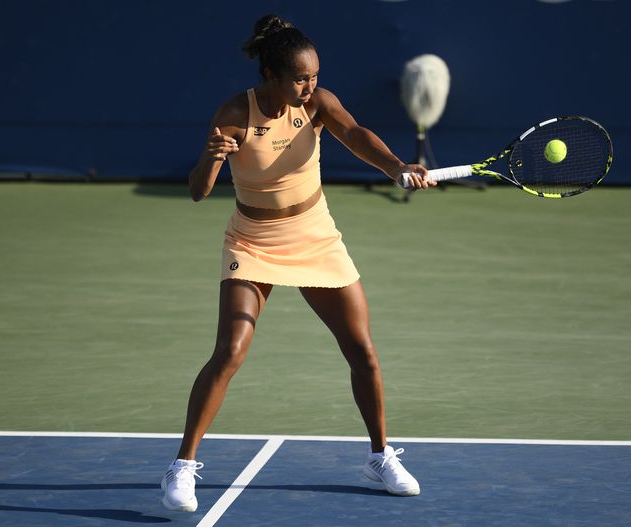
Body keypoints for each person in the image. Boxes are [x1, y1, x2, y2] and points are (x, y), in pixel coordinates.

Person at [161, 14, 435, 512]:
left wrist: (397, 165)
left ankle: (380, 456)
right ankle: (181, 469)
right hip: (253, 241)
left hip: (315, 236)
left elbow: (355, 133)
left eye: (315, 77)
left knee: (362, 351)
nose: (310, 87)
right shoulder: (233, 113)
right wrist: (212, 158)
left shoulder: (318, 105)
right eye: (300, 79)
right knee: (231, 350)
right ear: (270, 74)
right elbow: (199, 193)